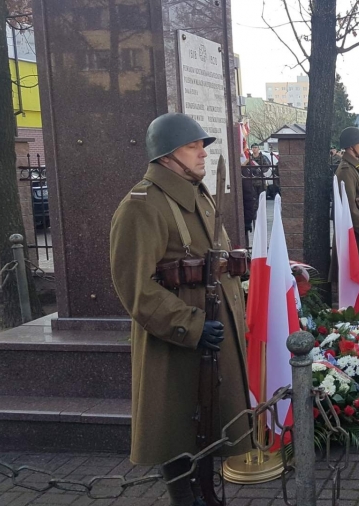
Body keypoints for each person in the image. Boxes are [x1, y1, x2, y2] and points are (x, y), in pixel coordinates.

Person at [110, 113, 251, 506]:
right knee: (176, 424)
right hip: (176, 340)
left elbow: (213, 261)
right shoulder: (143, 205)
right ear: (167, 155)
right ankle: (185, 499)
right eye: (192, 146)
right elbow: (135, 287)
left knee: (207, 420)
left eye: (202, 145)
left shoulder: (196, 195)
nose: (202, 153)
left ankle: (205, 493)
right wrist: (190, 324)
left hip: (211, 333)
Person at [331, 127, 359, 278]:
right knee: (354, 280)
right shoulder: (346, 170)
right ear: (351, 146)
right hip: (355, 236)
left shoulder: (356, 167)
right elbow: (349, 208)